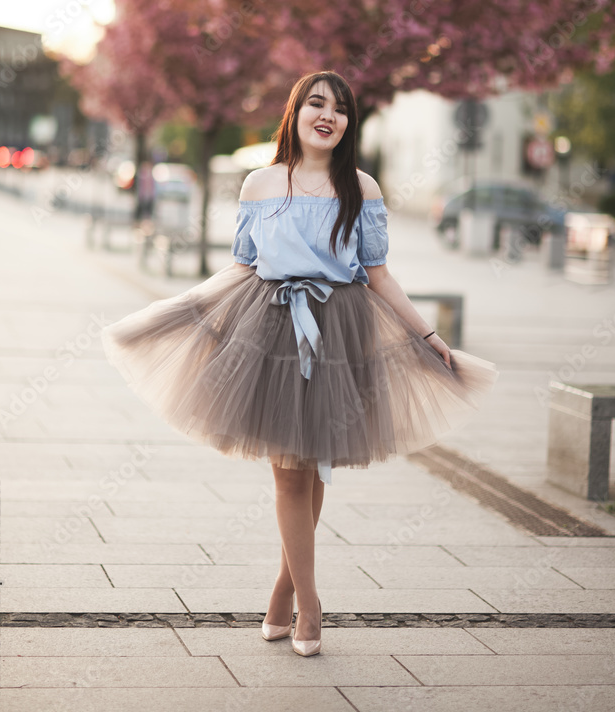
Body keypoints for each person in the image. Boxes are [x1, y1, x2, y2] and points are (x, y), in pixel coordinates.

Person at [101, 70, 498, 658]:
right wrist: (180, 310)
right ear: (295, 112)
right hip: (270, 327)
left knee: (312, 465)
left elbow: (378, 273)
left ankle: (285, 591)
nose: (327, 116)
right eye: (317, 103)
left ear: (348, 125)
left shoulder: (361, 187)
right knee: (291, 469)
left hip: (340, 329)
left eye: (340, 109)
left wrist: (427, 335)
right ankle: (310, 605)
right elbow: (241, 265)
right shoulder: (260, 184)